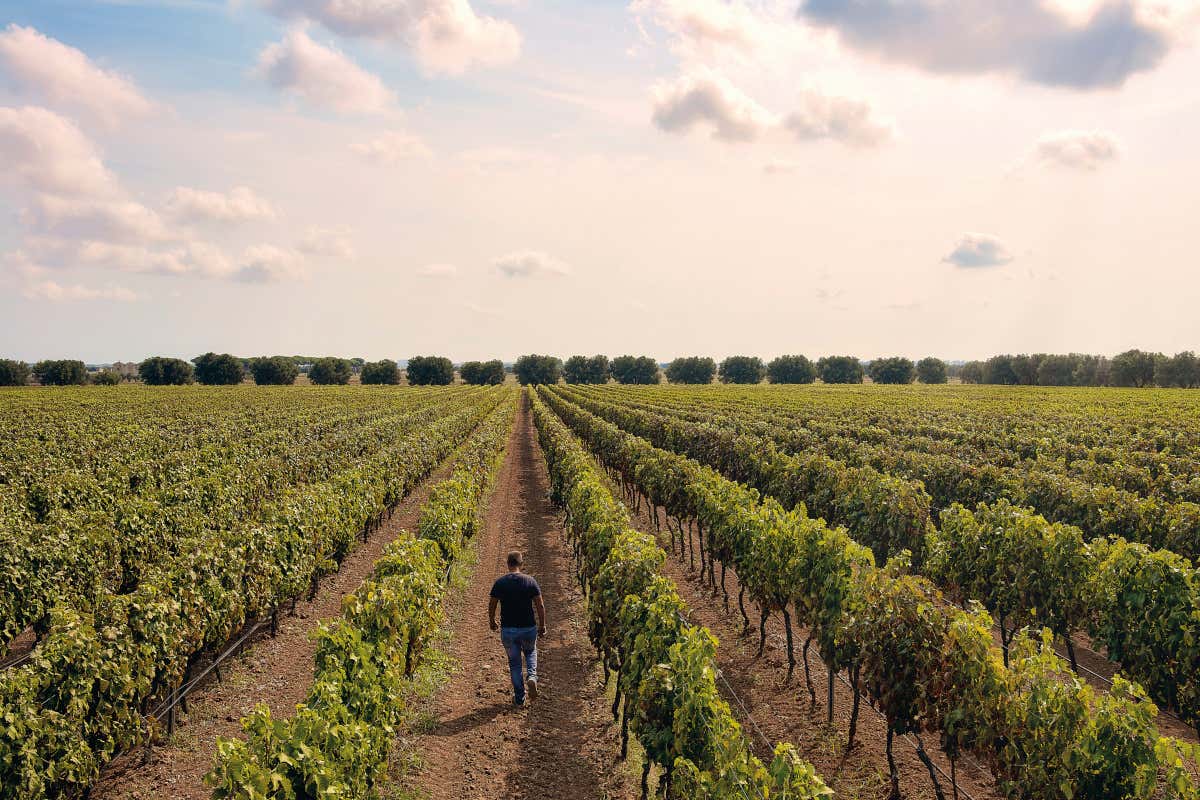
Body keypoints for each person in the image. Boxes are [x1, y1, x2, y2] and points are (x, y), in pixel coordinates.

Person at [489, 550, 546, 707]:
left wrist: (492, 620)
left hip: (508, 630)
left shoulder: (500, 583)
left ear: (508, 564)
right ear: (521, 564)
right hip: (528, 628)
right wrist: (542, 625)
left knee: (514, 664)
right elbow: (540, 605)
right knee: (531, 652)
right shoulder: (530, 581)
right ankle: (532, 677)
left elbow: (492, 603)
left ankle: (520, 698)